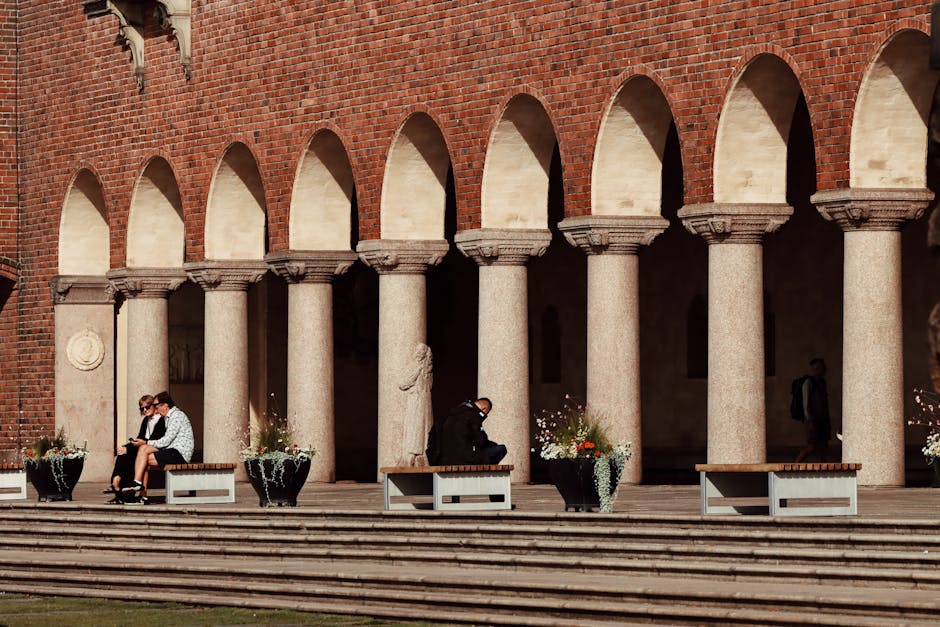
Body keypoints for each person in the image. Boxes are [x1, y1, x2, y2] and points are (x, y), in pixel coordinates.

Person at [124, 391, 195, 502]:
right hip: (171, 451)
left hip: (179, 454)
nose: (156, 409)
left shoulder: (176, 416)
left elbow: (166, 441)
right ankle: (142, 493)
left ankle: (138, 484)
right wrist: (145, 444)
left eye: (156, 406)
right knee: (143, 453)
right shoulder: (168, 417)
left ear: (165, 405)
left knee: (144, 452)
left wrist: (146, 443)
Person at [105, 394, 166, 496]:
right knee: (123, 452)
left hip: (156, 448)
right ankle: (116, 482)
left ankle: (120, 485)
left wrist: (129, 449)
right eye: (142, 408)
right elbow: (140, 438)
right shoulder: (146, 420)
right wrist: (127, 447)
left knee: (130, 454)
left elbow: (154, 440)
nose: (145, 410)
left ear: (154, 406)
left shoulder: (161, 420)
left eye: (147, 407)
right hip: (144, 447)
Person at [439, 397, 506, 465]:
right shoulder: (473, 416)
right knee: (501, 449)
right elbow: (482, 441)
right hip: (466, 459)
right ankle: (486, 473)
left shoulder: (453, 413)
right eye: (485, 413)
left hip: (446, 460)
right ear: (484, 409)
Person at [399, 343, 434, 466]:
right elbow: (402, 383)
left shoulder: (427, 369)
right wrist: (417, 371)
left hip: (425, 400)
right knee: (414, 425)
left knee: (424, 425)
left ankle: (424, 452)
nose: (420, 354)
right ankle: (412, 453)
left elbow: (429, 384)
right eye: (418, 352)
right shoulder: (413, 367)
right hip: (415, 399)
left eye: (422, 352)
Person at [794, 358, 831, 463]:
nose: (823, 370)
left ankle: (824, 469)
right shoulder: (808, 383)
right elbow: (806, 403)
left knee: (824, 446)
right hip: (813, 420)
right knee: (812, 446)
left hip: (823, 419)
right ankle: (795, 465)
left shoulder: (822, 382)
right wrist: (810, 420)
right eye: (819, 368)